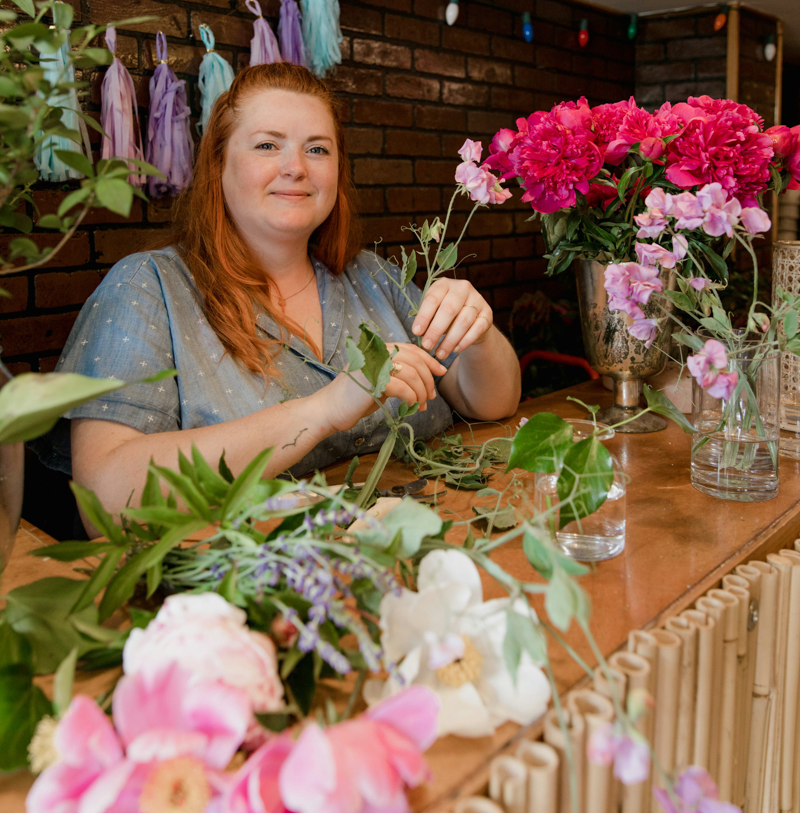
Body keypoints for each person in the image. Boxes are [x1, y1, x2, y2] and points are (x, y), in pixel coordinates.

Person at [34, 63, 521, 524]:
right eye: (268, 145)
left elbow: (492, 404)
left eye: (317, 149)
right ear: (218, 164)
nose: (296, 168)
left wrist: (479, 335)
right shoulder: (148, 288)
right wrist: (325, 409)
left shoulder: (372, 277)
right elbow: (107, 498)